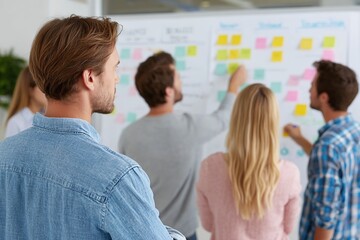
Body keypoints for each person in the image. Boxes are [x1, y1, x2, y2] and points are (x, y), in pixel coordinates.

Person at [0, 15, 185, 240]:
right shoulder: (117, 178)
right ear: (89, 77)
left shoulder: (4, 155)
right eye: (114, 68)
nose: (116, 79)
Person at [118, 51, 246, 240]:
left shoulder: (128, 135)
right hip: (182, 234)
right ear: (168, 91)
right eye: (177, 77)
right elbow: (224, 118)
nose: (181, 81)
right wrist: (234, 86)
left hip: (144, 233)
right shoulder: (190, 127)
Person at [196, 83, 301, 240]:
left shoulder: (210, 167)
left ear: (237, 118)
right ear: (273, 122)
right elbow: (288, 227)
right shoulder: (290, 174)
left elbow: (208, 224)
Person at [284, 60, 360, 240]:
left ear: (324, 97)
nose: (309, 91)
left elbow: (326, 216)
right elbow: (334, 166)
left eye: (312, 86)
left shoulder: (326, 147)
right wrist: (300, 139)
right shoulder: (353, 131)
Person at [4, 66, 47, 138]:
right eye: (42, 86)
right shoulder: (16, 122)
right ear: (30, 90)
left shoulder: (48, 117)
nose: (47, 91)